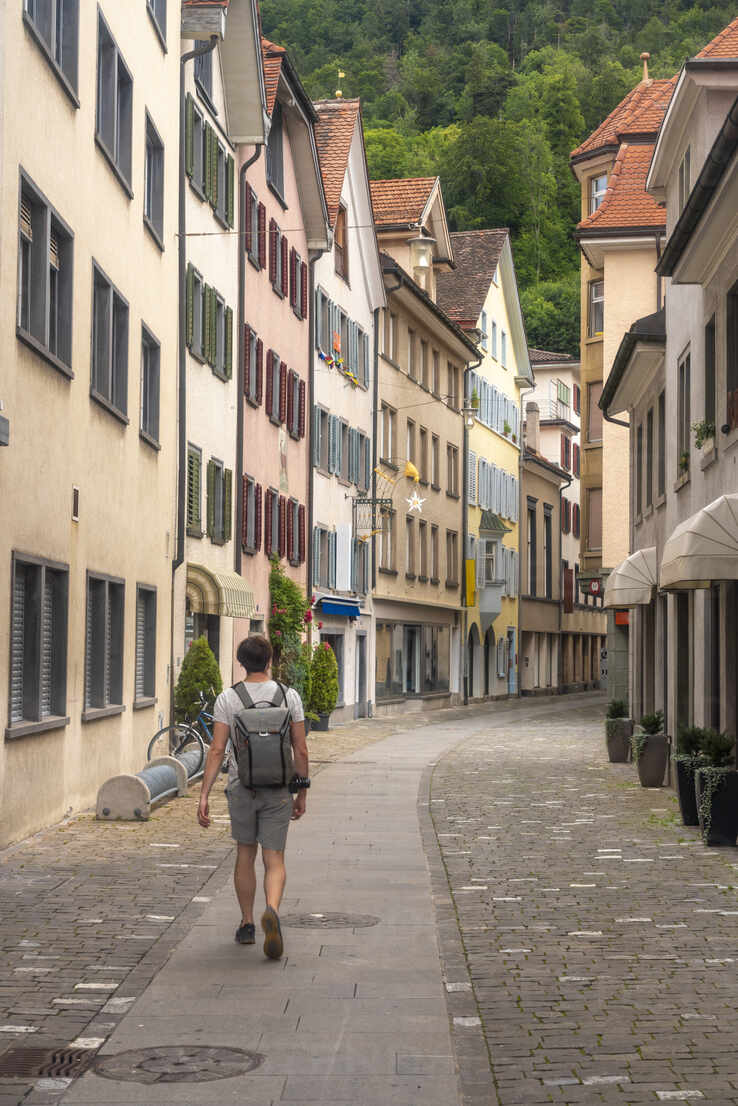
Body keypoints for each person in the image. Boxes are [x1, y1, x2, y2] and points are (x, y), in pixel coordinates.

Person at [197, 635, 309, 959]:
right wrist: (301, 790)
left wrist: (204, 795)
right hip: (278, 789)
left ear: (241, 662)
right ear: (270, 660)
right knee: (275, 860)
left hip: (242, 787)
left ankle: (247, 923)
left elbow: (217, 749)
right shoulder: (290, 696)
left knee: (245, 854)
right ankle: (271, 909)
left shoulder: (228, 699)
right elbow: (300, 749)